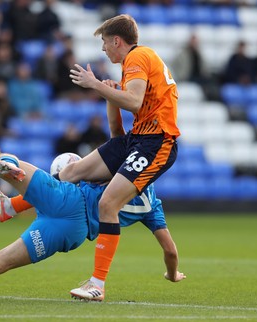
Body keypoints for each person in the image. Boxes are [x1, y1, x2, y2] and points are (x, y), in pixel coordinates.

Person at [0, 152, 185, 301]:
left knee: (0, 158)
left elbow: (115, 136)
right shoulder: (154, 207)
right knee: (0, 263)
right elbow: (170, 251)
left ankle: (9, 198)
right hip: (72, 234)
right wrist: (172, 274)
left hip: (68, 203)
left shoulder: (119, 169)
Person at [57, 14, 180, 300]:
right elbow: (117, 129)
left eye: (104, 43)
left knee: (108, 202)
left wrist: (95, 84)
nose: (103, 49)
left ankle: (97, 285)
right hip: (137, 138)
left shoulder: (137, 57)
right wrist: (109, 94)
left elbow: (135, 101)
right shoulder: (134, 64)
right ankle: (10, 206)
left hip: (156, 142)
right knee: (72, 171)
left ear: (116, 41)